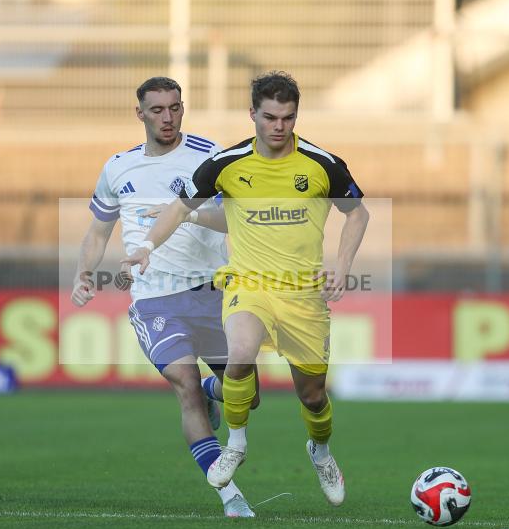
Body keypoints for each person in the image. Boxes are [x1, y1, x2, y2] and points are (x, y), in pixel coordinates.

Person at [123, 71, 370, 506]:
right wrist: (145, 247)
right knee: (238, 356)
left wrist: (343, 266)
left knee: (313, 396)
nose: (279, 127)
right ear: (252, 113)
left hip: (303, 293)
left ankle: (321, 450)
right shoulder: (227, 164)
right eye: (270, 117)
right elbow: (180, 206)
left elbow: (357, 215)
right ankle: (235, 444)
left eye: (288, 118)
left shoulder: (321, 164)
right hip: (247, 283)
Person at [71, 76, 255, 518]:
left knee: (248, 394)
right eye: (157, 110)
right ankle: (230, 497)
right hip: (155, 297)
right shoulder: (118, 168)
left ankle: (219, 393)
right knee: (185, 384)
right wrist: (83, 274)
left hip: (213, 290)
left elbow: (237, 222)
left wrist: (188, 216)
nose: (167, 117)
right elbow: (98, 231)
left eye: (174, 108)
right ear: (140, 114)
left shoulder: (209, 157)